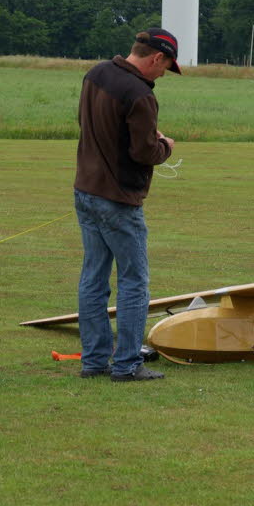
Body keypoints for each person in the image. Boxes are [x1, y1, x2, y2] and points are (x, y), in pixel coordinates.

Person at [73, 28, 181, 382]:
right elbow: (144, 152)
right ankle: (127, 365)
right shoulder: (140, 94)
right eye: (166, 67)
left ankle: (94, 362)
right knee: (135, 281)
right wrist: (165, 145)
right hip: (119, 201)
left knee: (93, 279)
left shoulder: (97, 73)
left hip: (85, 191)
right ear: (156, 58)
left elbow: (89, 125)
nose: (163, 74)